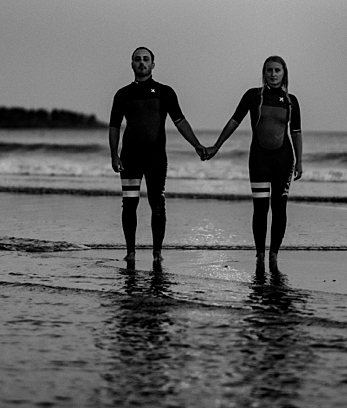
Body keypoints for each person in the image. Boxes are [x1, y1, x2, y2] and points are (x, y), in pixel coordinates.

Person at [109, 46, 205, 265]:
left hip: (155, 158)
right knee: (129, 203)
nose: (141, 63)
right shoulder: (123, 94)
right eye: (137, 59)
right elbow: (114, 126)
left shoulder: (165, 92)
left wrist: (196, 145)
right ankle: (131, 252)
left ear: (153, 64)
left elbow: (180, 121)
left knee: (157, 203)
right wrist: (114, 155)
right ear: (131, 64)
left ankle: (157, 253)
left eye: (146, 59)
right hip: (130, 157)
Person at [205, 55, 302, 270]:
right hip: (259, 159)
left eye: (277, 70)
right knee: (260, 209)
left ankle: (274, 255)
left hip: (284, 160)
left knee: (279, 209)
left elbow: (296, 132)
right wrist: (217, 145)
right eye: (269, 70)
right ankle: (259, 254)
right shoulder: (253, 96)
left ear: (284, 73)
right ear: (264, 73)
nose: (273, 74)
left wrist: (300, 161)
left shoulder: (291, 101)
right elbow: (234, 121)